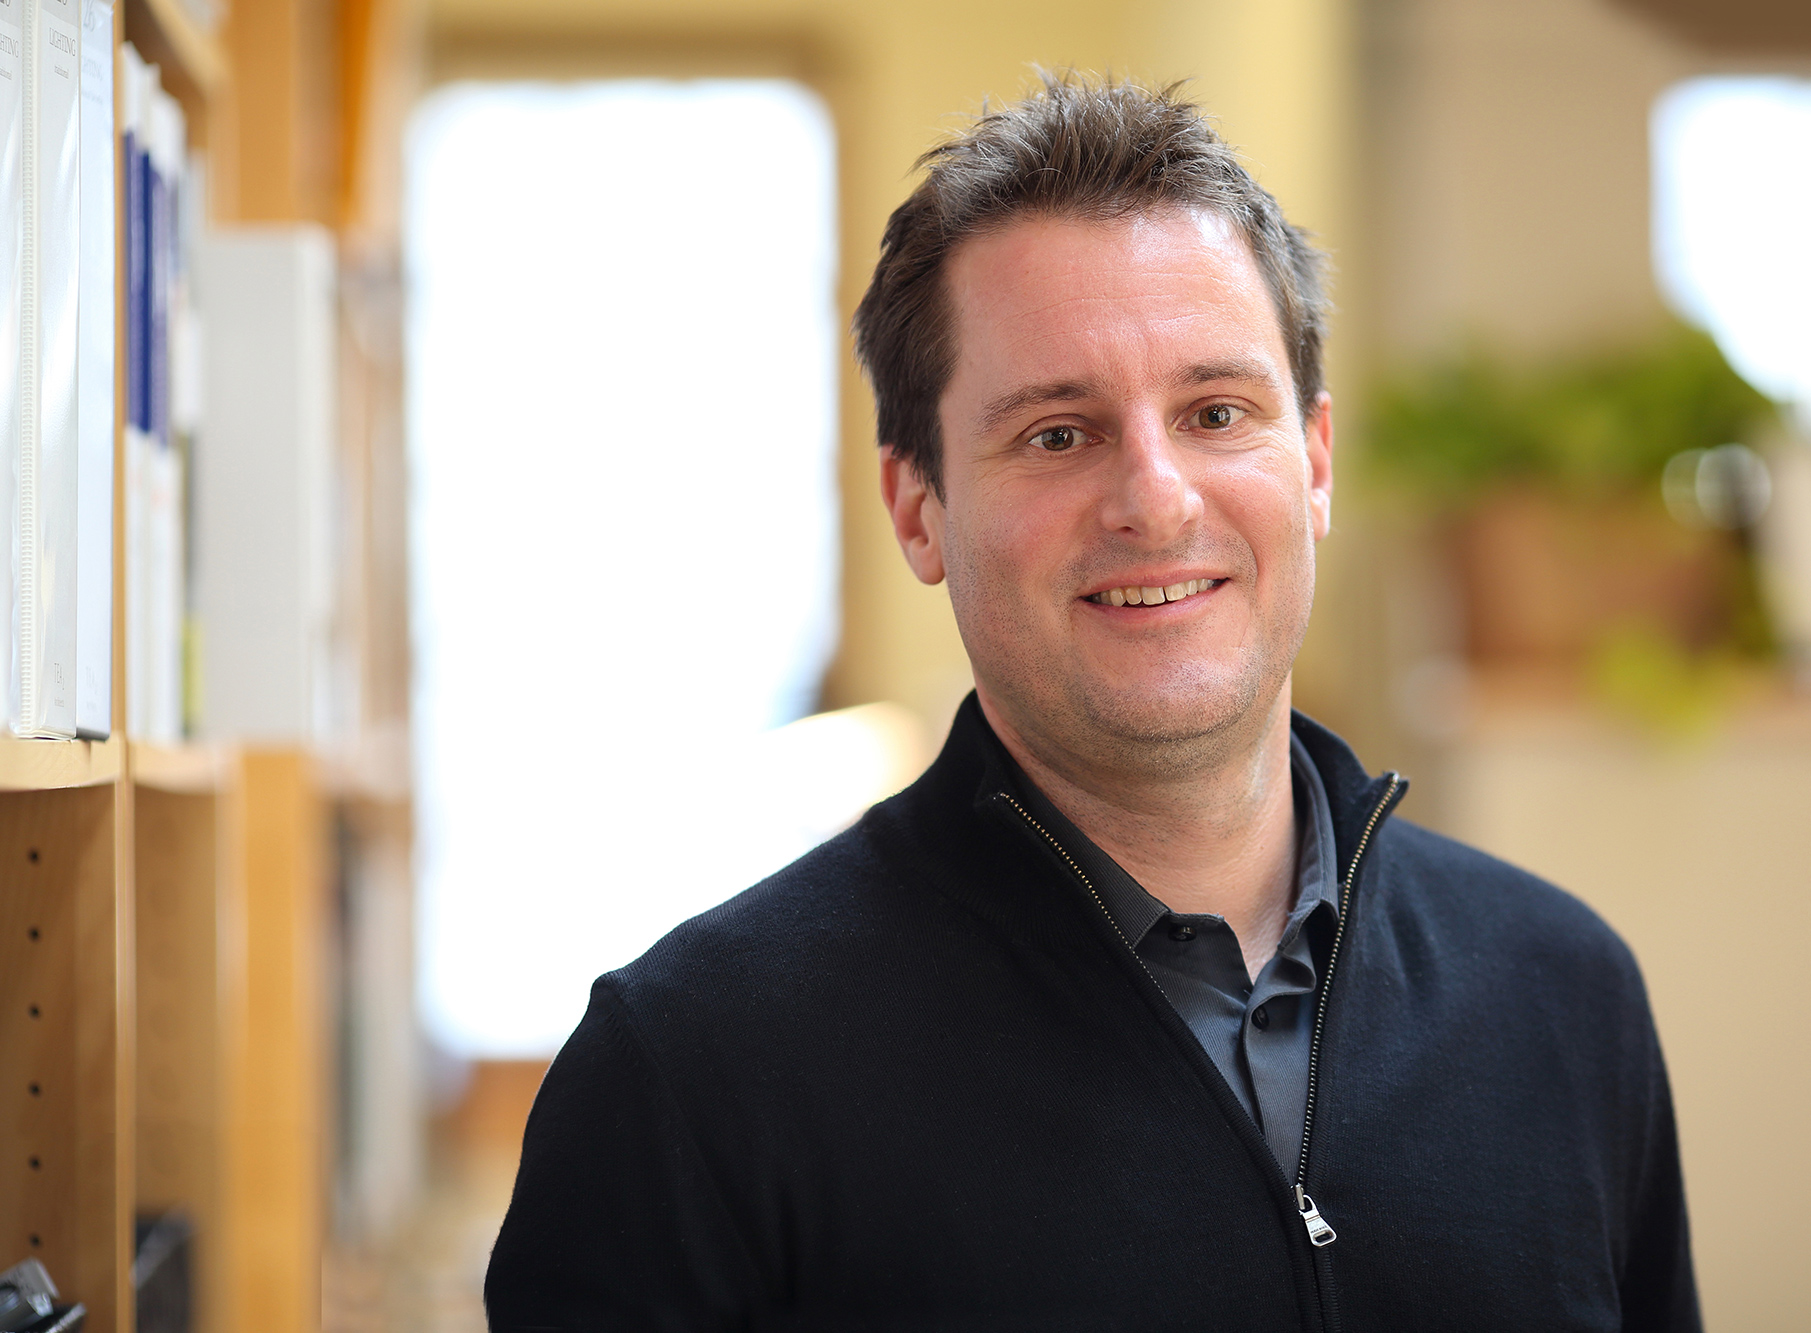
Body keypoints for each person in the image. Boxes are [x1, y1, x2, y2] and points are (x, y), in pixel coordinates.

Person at [485, 73, 1699, 1332]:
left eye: (1215, 412)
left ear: (1314, 461)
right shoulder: (688, 1075)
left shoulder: (1560, 991)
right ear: (917, 509)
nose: (1156, 500)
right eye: (1057, 434)